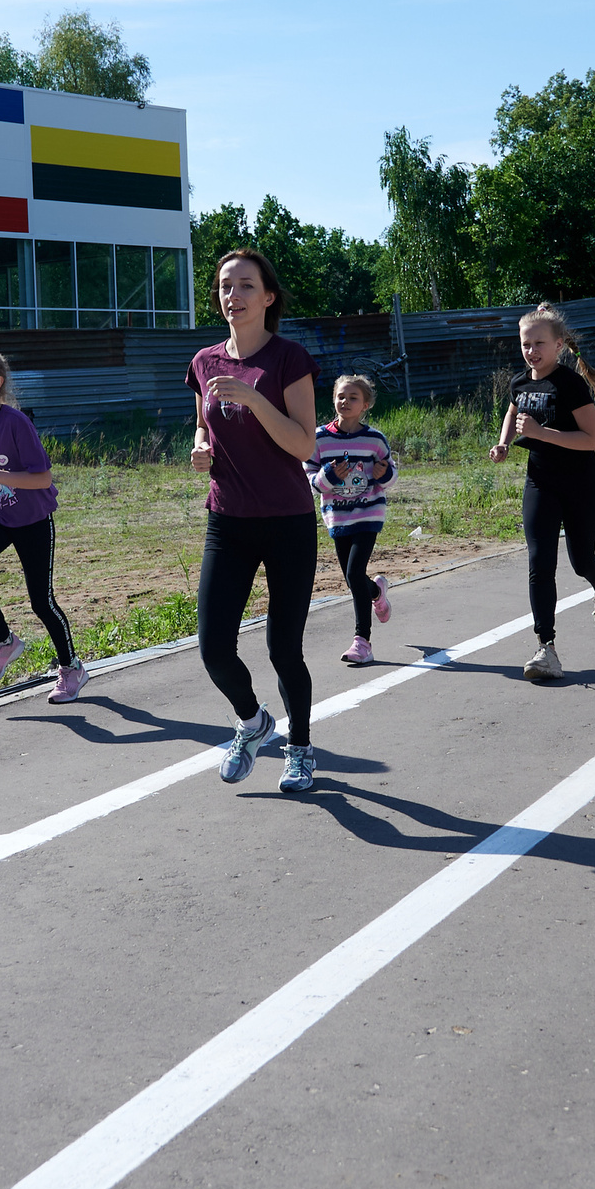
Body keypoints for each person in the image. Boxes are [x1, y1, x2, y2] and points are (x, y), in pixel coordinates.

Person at [188, 247, 323, 792]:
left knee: (283, 649)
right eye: (226, 286)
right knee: (213, 648)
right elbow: (204, 424)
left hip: (288, 521)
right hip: (228, 520)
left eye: (245, 285)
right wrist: (200, 447)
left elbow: (305, 444)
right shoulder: (204, 362)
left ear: (268, 297)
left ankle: (301, 749)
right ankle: (252, 721)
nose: (233, 295)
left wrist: (254, 399)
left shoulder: (289, 358)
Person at [489, 304, 595, 683]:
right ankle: (545, 647)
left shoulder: (570, 384)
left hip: (580, 483)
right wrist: (504, 443)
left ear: (559, 345)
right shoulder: (519, 382)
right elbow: (512, 413)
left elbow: (594, 440)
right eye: (525, 344)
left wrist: (541, 433)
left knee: (582, 563)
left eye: (539, 344)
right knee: (540, 562)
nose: (531, 351)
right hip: (540, 482)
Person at [0, 347, 87, 703]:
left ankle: (71, 668)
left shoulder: (16, 423)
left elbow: (42, 478)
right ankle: (4, 642)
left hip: (32, 519)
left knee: (41, 602)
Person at [307, 373, 395, 666]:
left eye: (353, 397)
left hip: (369, 514)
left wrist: (385, 473)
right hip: (338, 517)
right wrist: (328, 476)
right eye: (340, 396)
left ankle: (362, 642)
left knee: (355, 573)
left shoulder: (374, 439)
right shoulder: (320, 438)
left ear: (365, 405)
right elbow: (309, 478)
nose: (345, 401)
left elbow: (391, 473)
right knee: (352, 578)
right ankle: (376, 591)